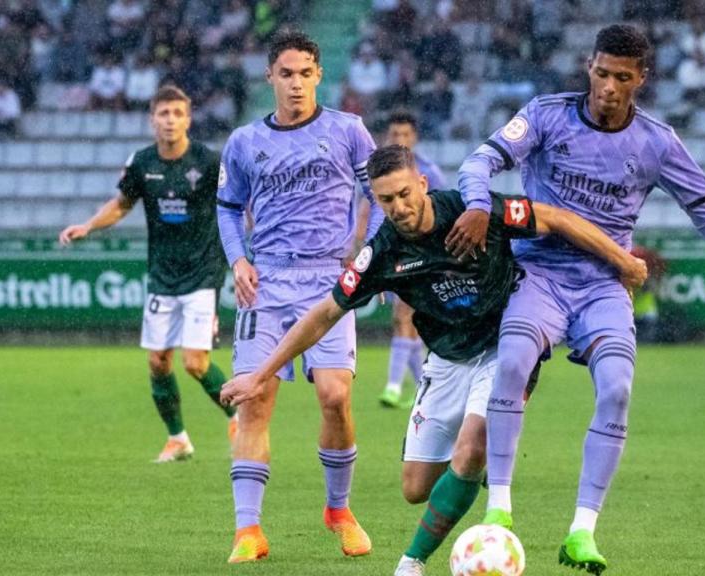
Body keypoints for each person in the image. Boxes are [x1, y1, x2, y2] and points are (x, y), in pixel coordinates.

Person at [454, 24, 705, 574]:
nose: (609, 87)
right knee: (514, 365)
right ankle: (499, 508)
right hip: (540, 274)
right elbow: (480, 160)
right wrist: (478, 203)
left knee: (617, 389)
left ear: (641, 79)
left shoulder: (657, 142)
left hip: (604, 285)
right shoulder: (546, 115)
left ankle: (581, 532)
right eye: (601, 73)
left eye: (623, 77)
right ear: (588, 68)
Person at [220, 144, 648, 576]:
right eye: (386, 200)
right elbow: (325, 313)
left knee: (470, 449)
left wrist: (623, 262)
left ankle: (412, 561)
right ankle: (473, 473)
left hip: (504, 346)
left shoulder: (471, 211)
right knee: (415, 488)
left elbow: (555, 218)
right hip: (445, 361)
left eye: (405, 194)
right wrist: (262, 374)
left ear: (422, 183)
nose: (399, 208)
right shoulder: (382, 253)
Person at [214, 31, 382, 564]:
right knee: (256, 399)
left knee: (335, 396)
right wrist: (238, 260)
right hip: (267, 283)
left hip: (328, 282)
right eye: (286, 74)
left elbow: (379, 195)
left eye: (305, 73)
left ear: (319, 76)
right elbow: (226, 207)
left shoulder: (349, 131)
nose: (296, 83)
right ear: (270, 77)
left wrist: (368, 255)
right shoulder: (243, 142)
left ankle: (338, 509)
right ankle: (248, 530)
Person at [59, 85, 235, 463]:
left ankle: (238, 417)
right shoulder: (142, 163)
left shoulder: (208, 161)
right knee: (157, 361)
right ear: (151, 120)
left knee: (195, 363)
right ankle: (178, 439)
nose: (170, 120)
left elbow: (235, 202)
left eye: (177, 113)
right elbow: (122, 205)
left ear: (188, 119)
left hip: (203, 272)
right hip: (162, 275)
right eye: (163, 114)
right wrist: (88, 226)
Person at [377, 110, 448, 409]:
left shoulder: (429, 171)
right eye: (395, 135)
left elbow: (447, 210)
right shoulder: (379, 174)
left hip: (423, 256)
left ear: (415, 138)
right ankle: (424, 388)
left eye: (405, 135)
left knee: (405, 317)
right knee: (404, 321)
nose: (400, 140)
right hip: (395, 251)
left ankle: (394, 387)